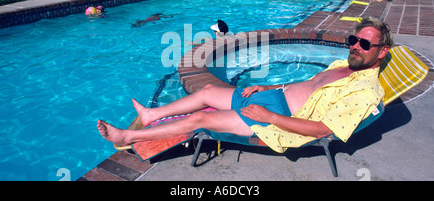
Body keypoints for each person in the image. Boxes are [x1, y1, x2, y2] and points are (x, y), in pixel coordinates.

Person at [97, 17, 393, 152]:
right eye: (354, 40)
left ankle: (126, 138)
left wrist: (270, 117)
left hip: (280, 117)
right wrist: (268, 88)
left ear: (381, 52)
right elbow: (309, 83)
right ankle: (150, 116)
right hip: (272, 98)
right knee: (208, 91)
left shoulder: (366, 91)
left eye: (365, 43)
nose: (355, 46)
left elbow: (325, 130)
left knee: (200, 119)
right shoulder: (343, 64)